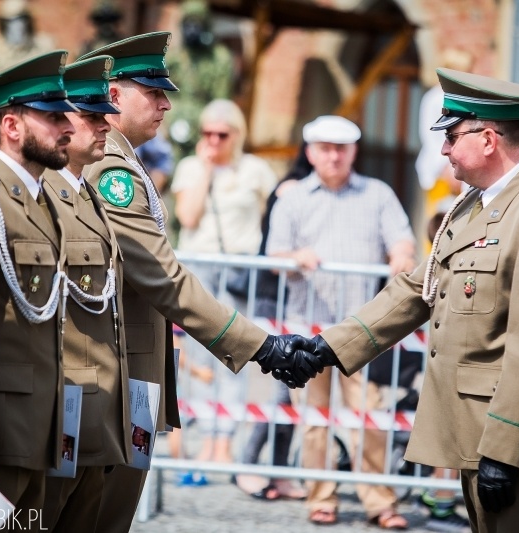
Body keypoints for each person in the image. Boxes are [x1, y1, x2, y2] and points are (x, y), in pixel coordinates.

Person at [292, 70, 519, 533]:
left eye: (452, 136)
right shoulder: (478, 202)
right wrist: (327, 348)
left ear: (489, 139)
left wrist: (505, 445)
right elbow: (420, 286)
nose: (444, 149)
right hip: (478, 433)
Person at [77, 32, 320, 533]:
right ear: (115, 95)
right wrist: (261, 346)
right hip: (111, 376)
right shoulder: (111, 168)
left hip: (131, 375)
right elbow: (162, 276)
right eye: (153, 91)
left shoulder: (126, 161)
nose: (166, 103)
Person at [267, 115, 417, 529]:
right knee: (314, 420)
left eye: (342, 148)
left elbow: (402, 239)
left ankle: (380, 502)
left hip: (362, 332)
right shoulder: (293, 199)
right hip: (306, 329)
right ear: (311, 152)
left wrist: (402, 255)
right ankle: (322, 497)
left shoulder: (378, 194)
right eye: (326, 148)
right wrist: (293, 258)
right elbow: (273, 254)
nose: (334, 155)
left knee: (369, 418)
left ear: (353, 151)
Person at [0, 50, 79, 513]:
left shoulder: (41, 202)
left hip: (40, 426)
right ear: (12, 127)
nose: (69, 126)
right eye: (54, 116)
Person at [38, 55, 130, 532]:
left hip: (94, 406)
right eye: (90, 116)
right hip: (57, 409)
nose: (104, 125)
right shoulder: (41, 197)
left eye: (104, 114)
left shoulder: (86, 194)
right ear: (57, 122)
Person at [170, 98, 277, 472]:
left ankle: (225, 441)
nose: (214, 140)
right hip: (200, 267)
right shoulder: (190, 168)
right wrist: (205, 170)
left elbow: (271, 219)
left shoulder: (256, 170)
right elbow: (187, 216)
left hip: (240, 269)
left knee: (237, 352)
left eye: (222, 134)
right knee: (200, 359)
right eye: (207, 133)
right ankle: (207, 437)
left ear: (237, 134)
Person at [234, 142, 314, 500]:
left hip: (298, 299)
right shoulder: (293, 188)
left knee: (290, 390)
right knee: (278, 389)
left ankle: (277, 472)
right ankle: (249, 466)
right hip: (274, 295)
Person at [165, 0, 234, 159]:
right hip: (172, 121)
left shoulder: (219, 58)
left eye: (196, 24)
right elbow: (162, 91)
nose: (192, 30)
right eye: (188, 24)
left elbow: (220, 101)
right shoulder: (174, 57)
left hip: (202, 125)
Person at [0, 0, 56, 74]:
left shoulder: (44, 45)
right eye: (9, 21)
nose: (15, 26)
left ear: (28, 20)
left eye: (20, 19)